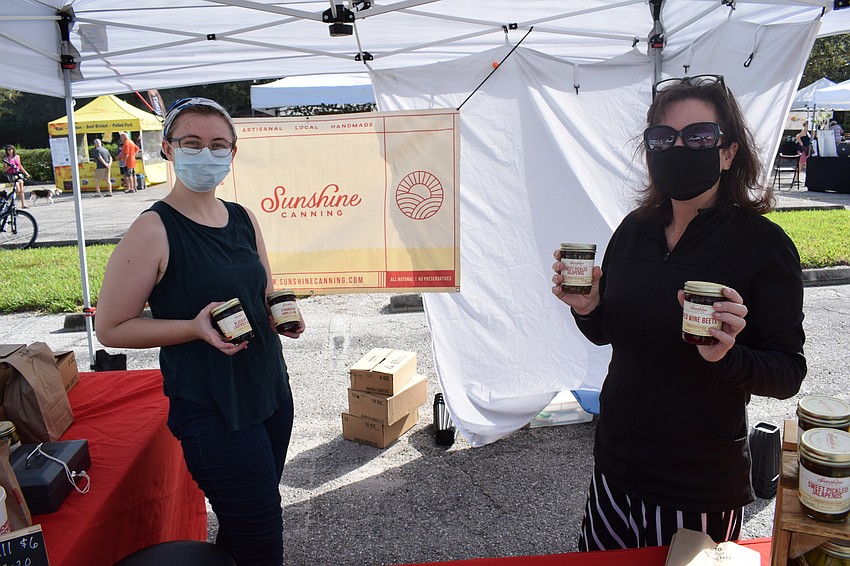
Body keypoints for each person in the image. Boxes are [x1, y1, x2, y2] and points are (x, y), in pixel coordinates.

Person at [551, 75, 806, 551]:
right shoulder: (634, 230)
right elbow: (609, 333)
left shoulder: (763, 247)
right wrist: (588, 309)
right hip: (613, 471)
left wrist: (727, 356)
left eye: (700, 137)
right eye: (663, 138)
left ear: (728, 153)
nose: (679, 147)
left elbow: (787, 373)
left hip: (698, 487)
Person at [95, 98, 302, 566]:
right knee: (262, 544)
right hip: (212, 407)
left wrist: (279, 311)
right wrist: (192, 328)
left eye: (217, 145)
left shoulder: (243, 218)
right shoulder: (153, 229)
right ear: (168, 149)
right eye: (192, 143)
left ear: (232, 152)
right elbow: (112, 327)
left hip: (269, 392)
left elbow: (265, 287)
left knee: (247, 525)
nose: (205, 154)